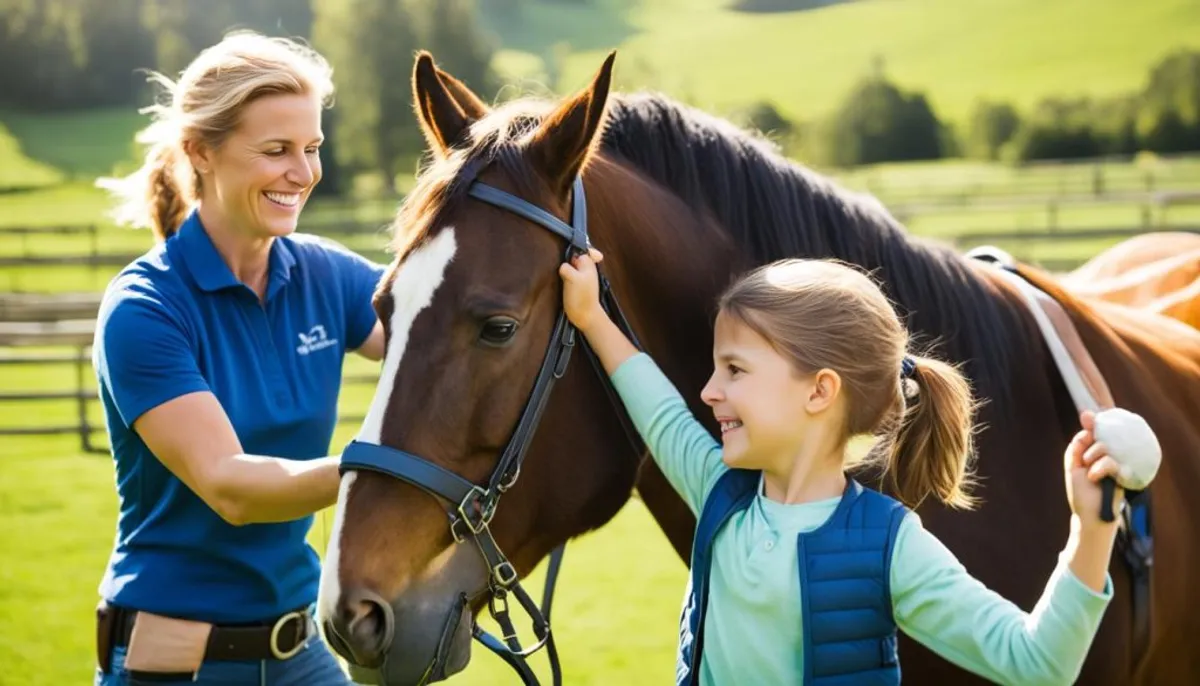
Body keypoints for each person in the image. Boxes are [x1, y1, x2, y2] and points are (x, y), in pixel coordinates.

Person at [560, 252, 1132, 685]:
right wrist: (590, 316)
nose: (708, 392)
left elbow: (1037, 663)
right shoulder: (718, 492)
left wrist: (1092, 529)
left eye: (734, 370)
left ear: (820, 391)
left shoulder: (889, 546)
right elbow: (657, 406)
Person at [90, 31, 385, 685]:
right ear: (201, 150)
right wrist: (389, 469)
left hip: (301, 652)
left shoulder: (326, 275)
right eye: (276, 150)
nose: (304, 173)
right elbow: (230, 487)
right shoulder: (145, 308)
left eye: (311, 149)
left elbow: (445, 337)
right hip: (178, 664)